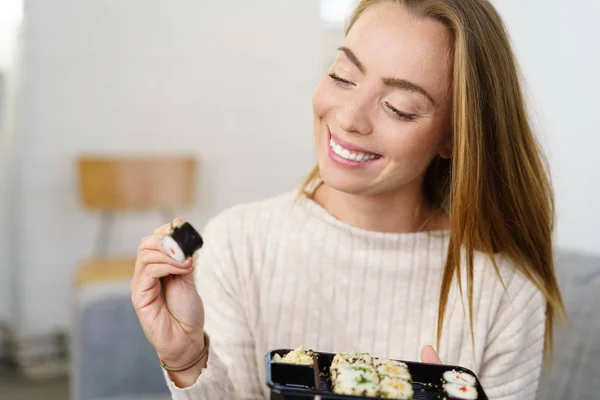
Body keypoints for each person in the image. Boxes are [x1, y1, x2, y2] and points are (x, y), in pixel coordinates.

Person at [130, 0, 566, 399]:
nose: (350, 118)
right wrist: (188, 361)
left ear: (453, 136)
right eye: (342, 76)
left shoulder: (505, 295)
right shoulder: (238, 244)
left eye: (398, 107)